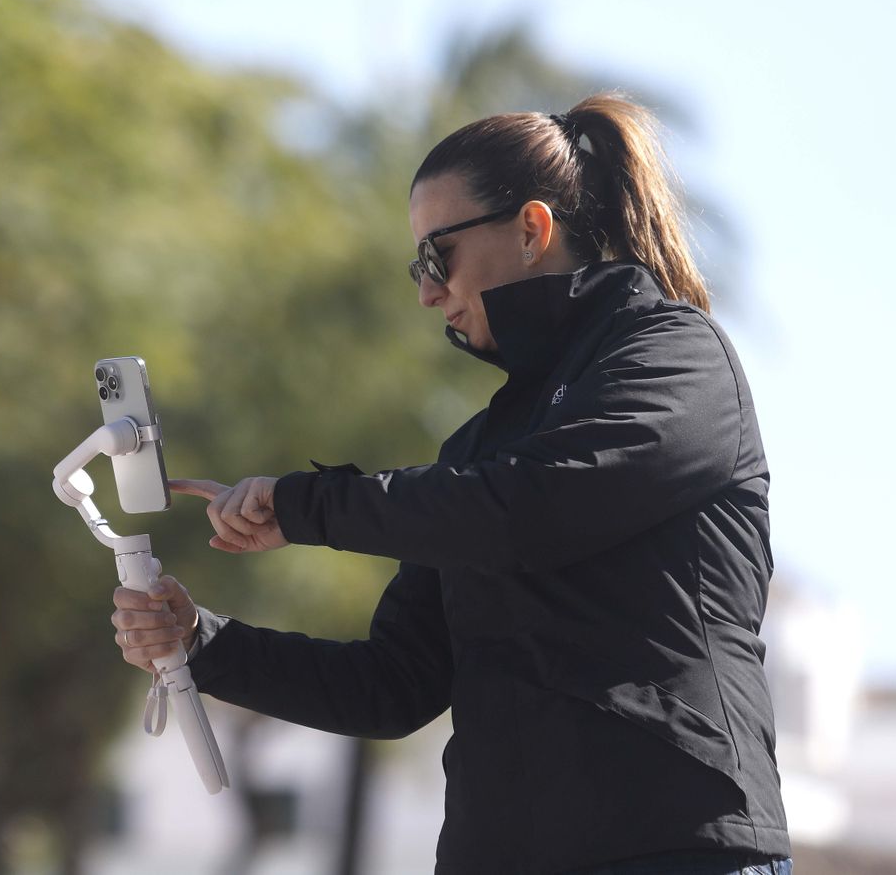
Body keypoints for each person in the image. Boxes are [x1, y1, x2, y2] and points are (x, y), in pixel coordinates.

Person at [111, 93, 791, 875]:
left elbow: (529, 511)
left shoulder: (678, 358)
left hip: (676, 851)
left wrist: (307, 505)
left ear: (534, 230)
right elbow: (391, 685)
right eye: (417, 268)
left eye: (437, 258)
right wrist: (202, 641)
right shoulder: (479, 446)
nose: (428, 292)